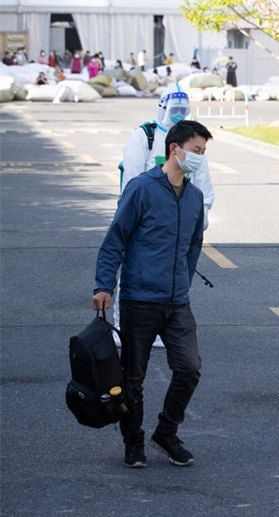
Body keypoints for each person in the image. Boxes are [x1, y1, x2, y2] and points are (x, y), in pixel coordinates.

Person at [93, 119, 212, 469]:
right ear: (174, 149)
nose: (200, 158)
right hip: (139, 300)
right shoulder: (142, 189)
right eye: (196, 150)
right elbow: (115, 240)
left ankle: (166, 432)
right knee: (133, 379)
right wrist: (104, 285)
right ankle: (134, 442)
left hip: (177, 302)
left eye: (204, 152)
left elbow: (193, 247)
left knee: (189, 369)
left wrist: (182, 283)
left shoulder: (194, 197)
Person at [115, 82, 216, 346]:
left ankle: (165, 326)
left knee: (173, 269)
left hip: (179, 217)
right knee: (134, 268)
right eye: (174, 109)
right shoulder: (145, 135)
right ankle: (122, 322)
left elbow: (202, 181)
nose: (178, 113)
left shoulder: (193, 143)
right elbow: (133, 178)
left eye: (184, 109)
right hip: (144, 216)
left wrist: (201, 215)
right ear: (162, 107)